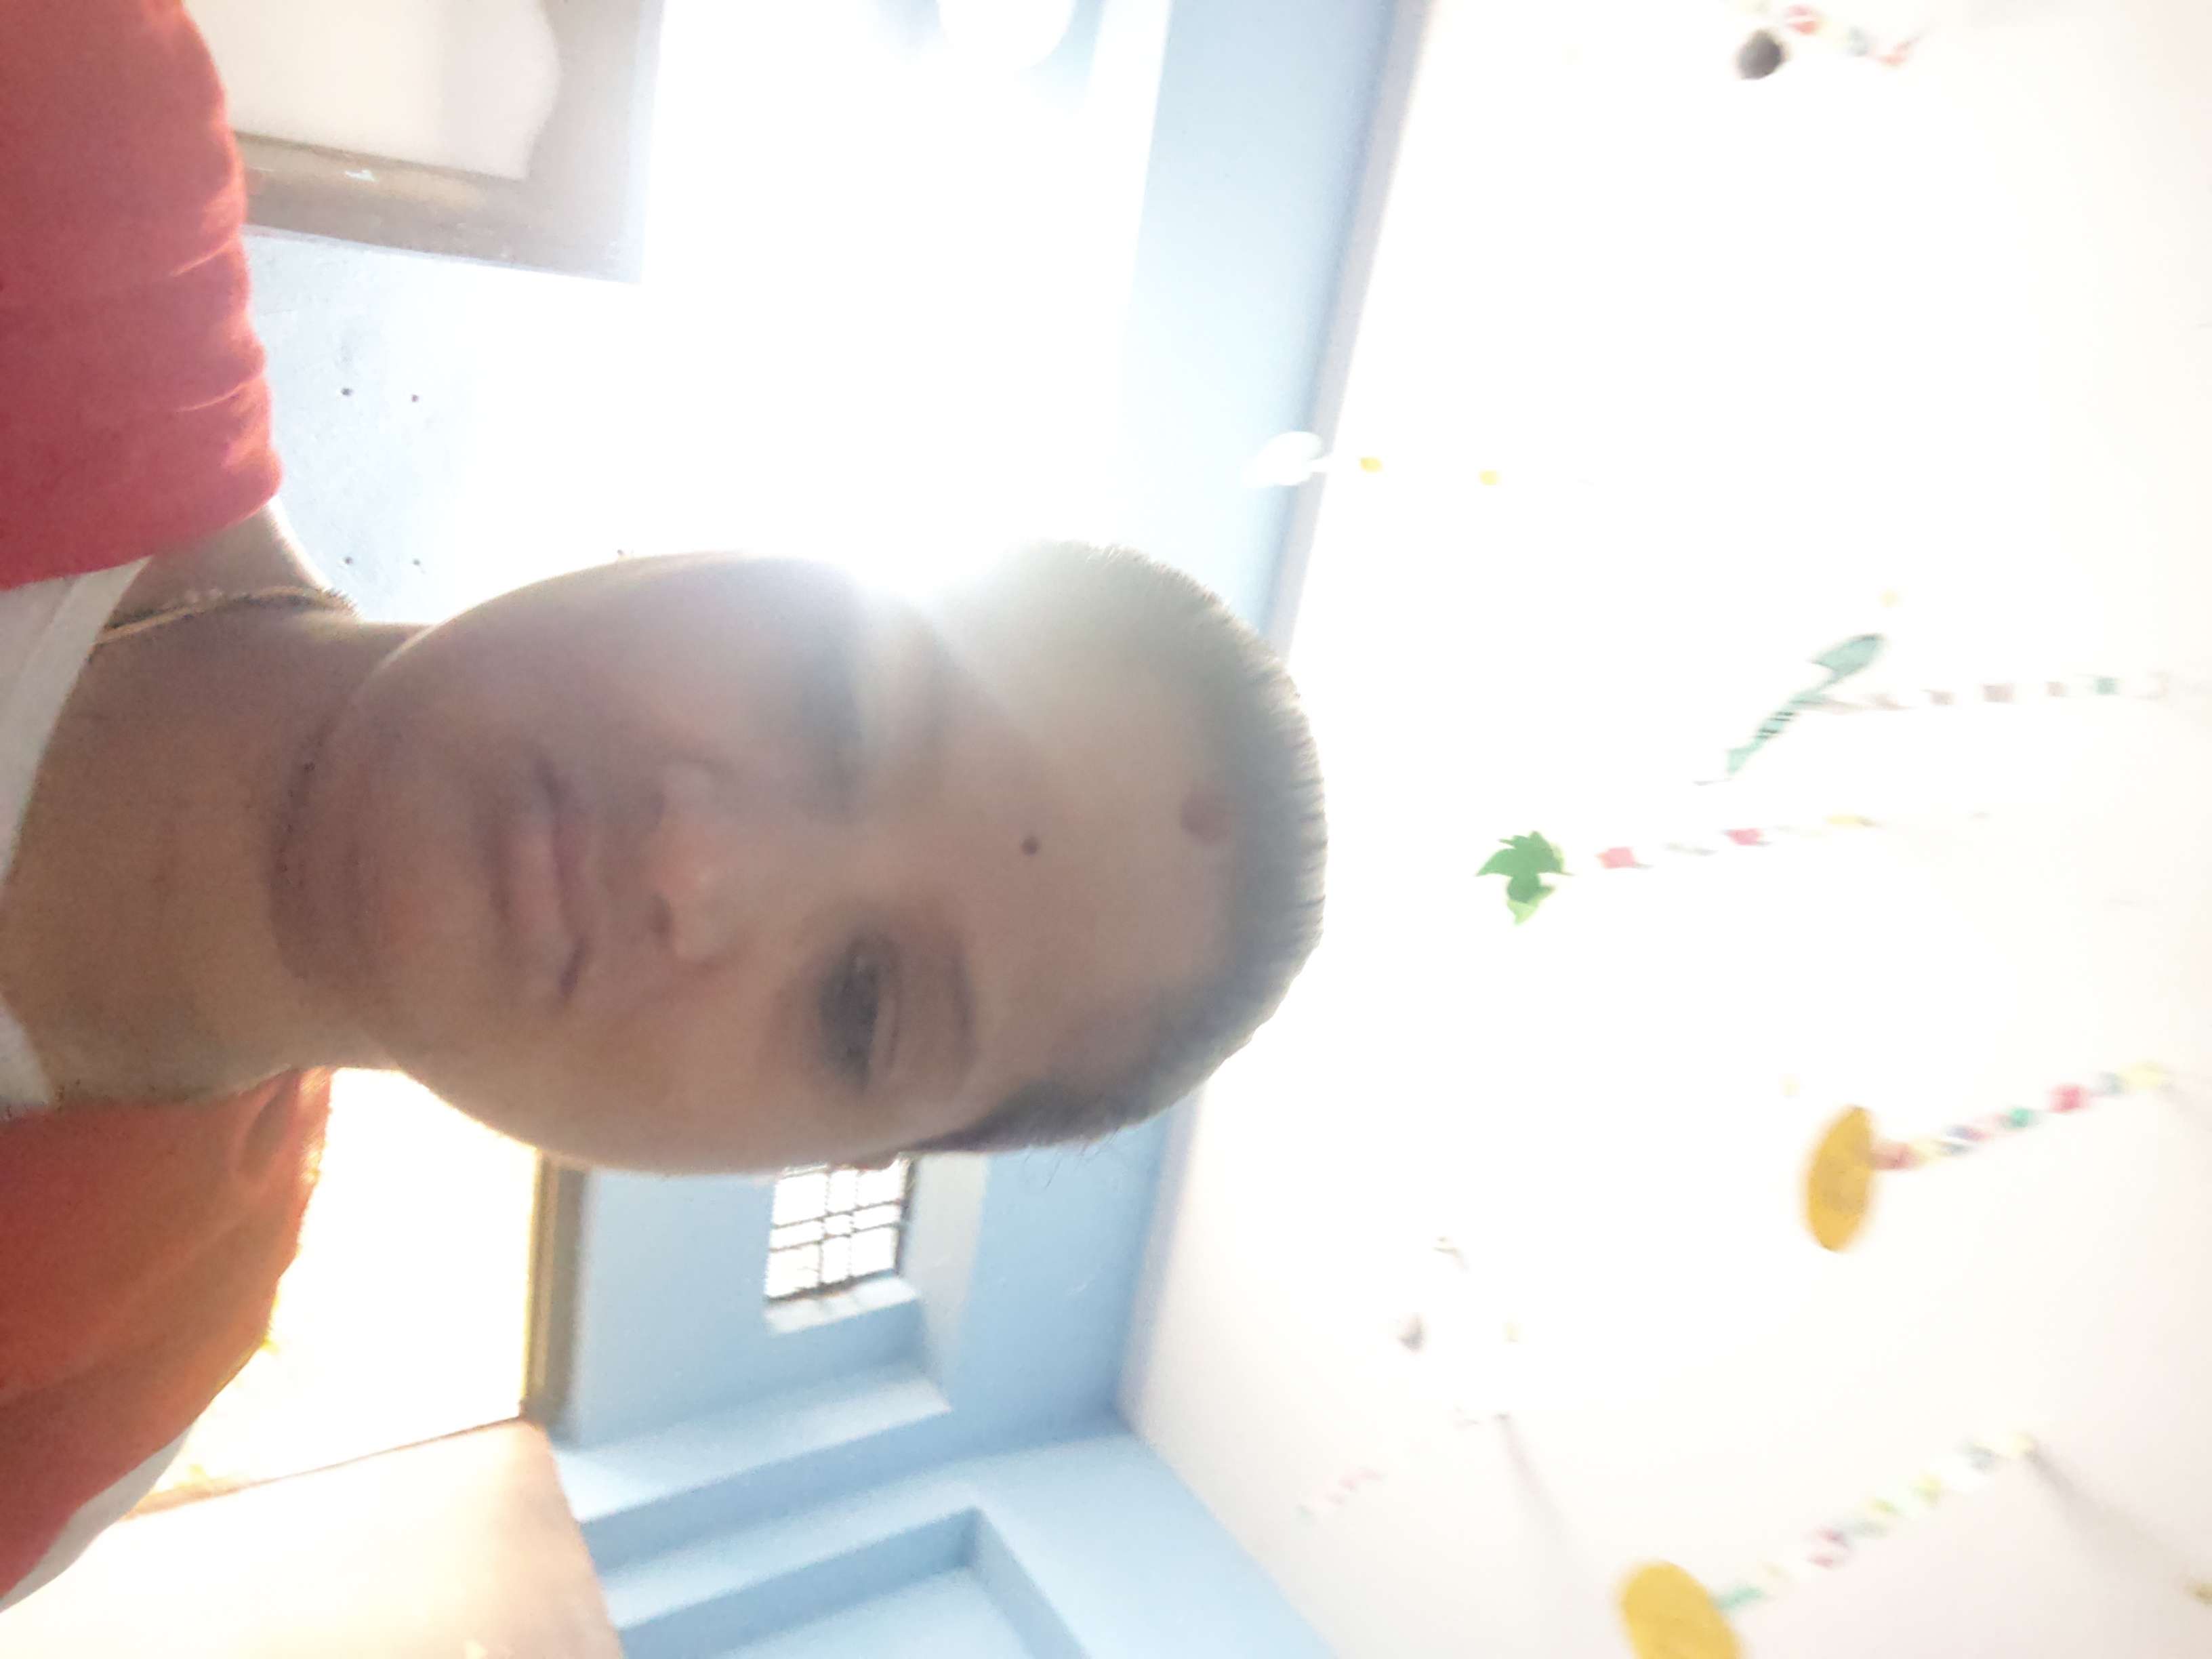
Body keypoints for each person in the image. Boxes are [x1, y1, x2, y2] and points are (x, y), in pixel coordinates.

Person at [0, 0, 1325, 1616]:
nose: (694, 864)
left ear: (793, 1158)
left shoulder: (102, 1382)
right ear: (742, 539)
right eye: (834, 704)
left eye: (860, 1001)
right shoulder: (63, 143)